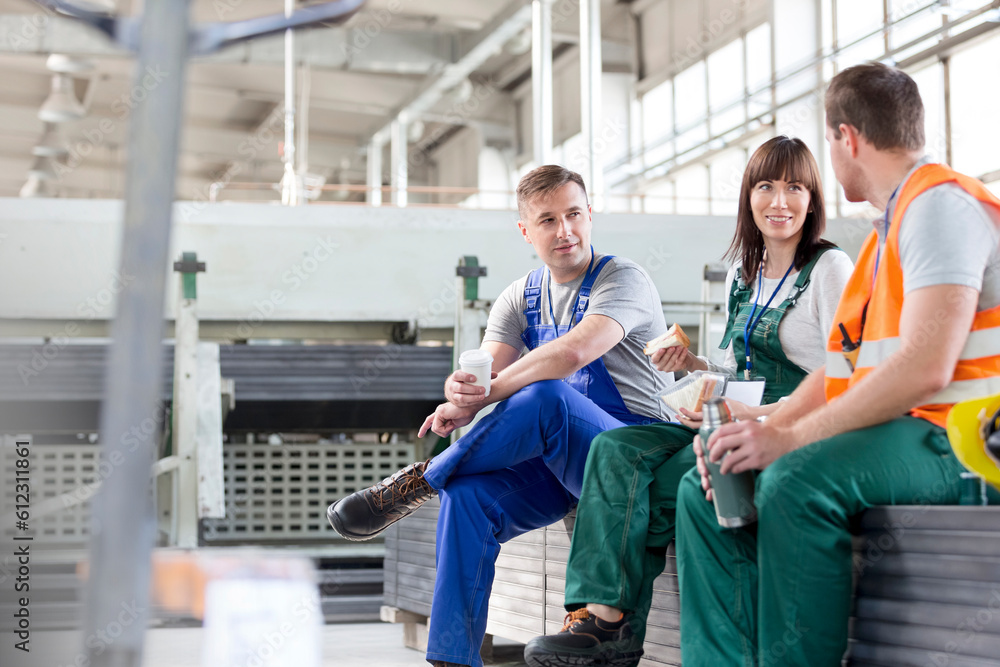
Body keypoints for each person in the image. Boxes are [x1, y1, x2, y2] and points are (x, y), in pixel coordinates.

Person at [675, 62, 1000, 666]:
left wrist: (791, 441)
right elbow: (841, 369)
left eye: (829, 143)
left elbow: (927, 366)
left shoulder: (940, 207)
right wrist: (766, 430)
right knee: (710, 484)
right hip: (914, 433)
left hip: (967, 438)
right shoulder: (884, 238)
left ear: (846, 138)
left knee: (799, 479)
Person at [523, 136, 854, 667]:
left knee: (664, 489)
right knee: (613, 448)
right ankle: (597, 614)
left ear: (813, 199)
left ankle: (616, 633)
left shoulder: (830, 270)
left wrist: (757, 414)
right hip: (728, 413)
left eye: (795, 187)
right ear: (748, 197)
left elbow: (845, 376)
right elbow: (731, 368)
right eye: (766, 186)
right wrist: (694, 366)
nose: (780, 201)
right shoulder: (744, 273)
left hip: (792, 422)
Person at [328, 165, 673, 667]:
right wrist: (460, 392)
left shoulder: (623, 279)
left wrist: (493, 390)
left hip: (634, 454)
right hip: (566, 464)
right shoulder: (519, 297)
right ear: (525, 230)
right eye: (548, 220)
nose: (565, 231)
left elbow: (575, 352)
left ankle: (423, 479)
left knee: (548, 395)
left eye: (574, 215)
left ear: (590, 215)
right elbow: (485, 369)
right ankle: (452, 659)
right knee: (467, 498)